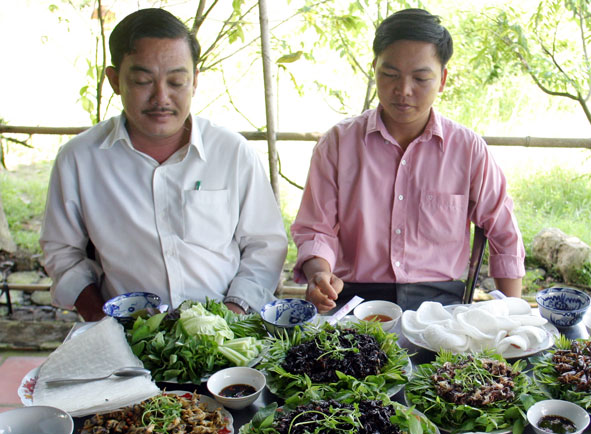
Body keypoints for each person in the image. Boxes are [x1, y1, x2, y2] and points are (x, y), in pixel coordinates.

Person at [40, 8, 287, 321]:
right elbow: (62, 252)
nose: (161, 97)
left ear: (195, 81)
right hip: (126, 333)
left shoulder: (231, 152)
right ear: (115, 80)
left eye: (176, 82)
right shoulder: (79, 160)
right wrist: (104, 324)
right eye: (143, 81)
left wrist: (230, 316)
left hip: (228, 331)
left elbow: (265, 245)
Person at [291, 8, 525, 313]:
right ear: (374, 69)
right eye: (389, 75)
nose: (403, 91)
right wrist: (319, 274)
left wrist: (514, 316)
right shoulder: (337, 145)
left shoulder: (468, 149)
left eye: (420, 78)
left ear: (442, 80)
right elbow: (315, 229)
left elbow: (503, 233)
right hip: (354, 301)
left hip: (441, 306)